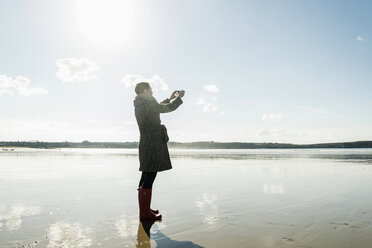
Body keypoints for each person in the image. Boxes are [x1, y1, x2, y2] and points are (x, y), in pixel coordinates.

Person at [133, 82, 185, 221]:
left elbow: (157, 108)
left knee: (146, 174)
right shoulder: (147, 102)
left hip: (146, 142)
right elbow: (164, 108)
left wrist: (170, 98)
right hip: (152, 143)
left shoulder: (141, 103)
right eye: (150, 89)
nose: (152, 92)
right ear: (145, 90)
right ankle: (144, 214)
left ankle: (145, 209)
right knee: (149, 176)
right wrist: (178, 99)